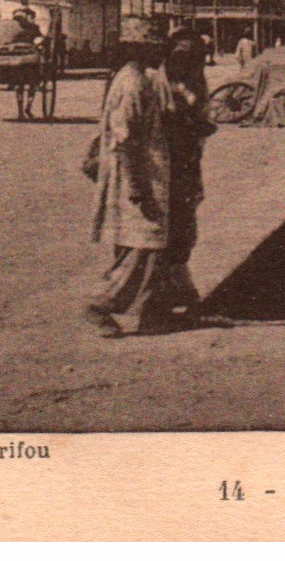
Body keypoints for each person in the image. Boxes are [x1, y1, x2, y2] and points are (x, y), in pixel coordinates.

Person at [86, 18, 177, 337]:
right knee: (141, 246)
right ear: (140, 49)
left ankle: (152, 313)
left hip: (147, 174)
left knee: (149, 247)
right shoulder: (133, 83)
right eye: (155, 48)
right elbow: (124, 141)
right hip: (135, 178)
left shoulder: (140, 78)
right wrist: (140, 192)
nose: (161, 54)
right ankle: (101, 304)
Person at [152, 27, 215, 319]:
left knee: (183, 230)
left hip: (187, 163)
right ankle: (168, 296)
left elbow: (200, 118)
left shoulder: (196, 84)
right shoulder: (156, 84)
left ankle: (179, 291)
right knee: (168, 231)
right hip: (163, 165)